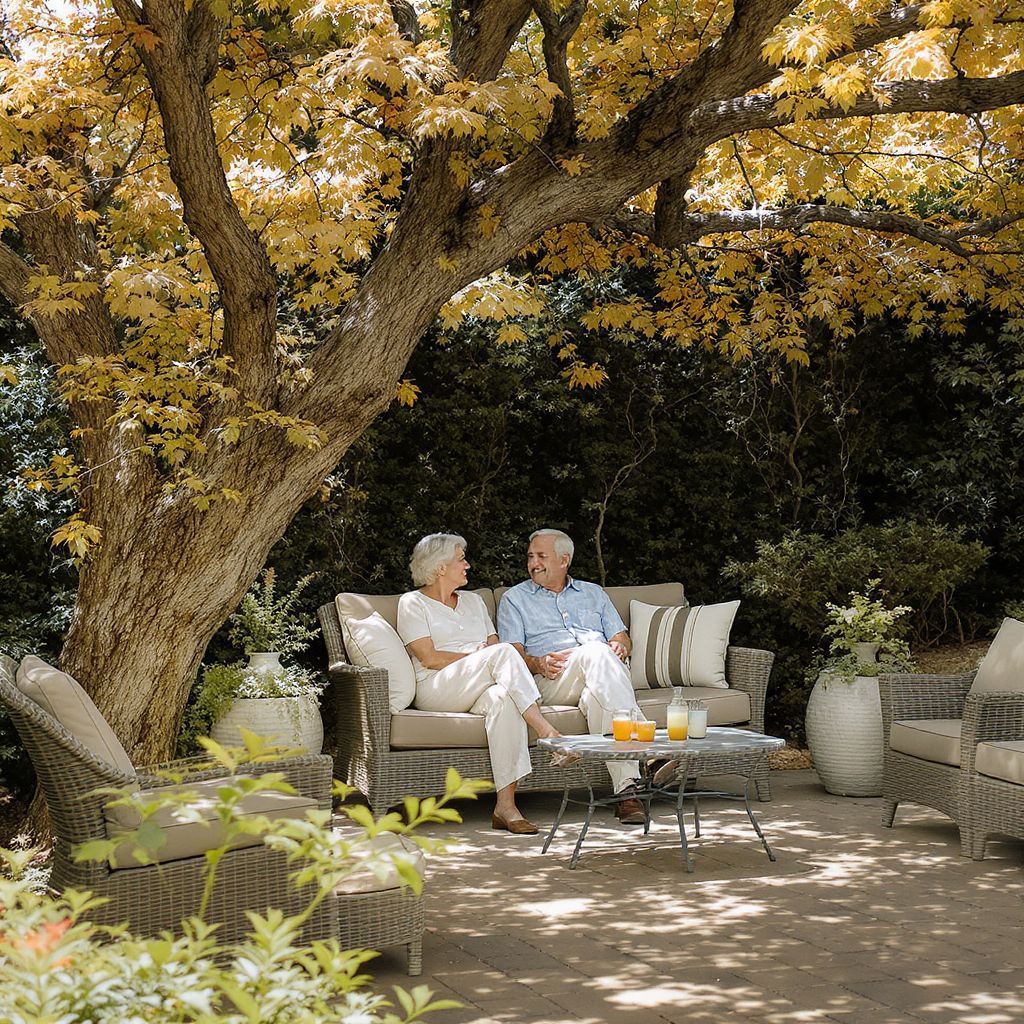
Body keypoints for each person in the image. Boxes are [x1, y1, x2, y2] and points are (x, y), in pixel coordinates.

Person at [397, 533, 563, 835]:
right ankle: (547, 731)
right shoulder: (412, 603)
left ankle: (505, 807)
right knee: (504, 653)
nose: (468, 565)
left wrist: (486, 656)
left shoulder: (473, 601)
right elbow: (429, 657)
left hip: (481, 682)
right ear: (440, 567)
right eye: (461, 560)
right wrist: (477, 656)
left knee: (503, 699)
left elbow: (494, 645)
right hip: (438, 686)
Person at [497, 528, 646, 824]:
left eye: (541, 556)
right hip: (551, 680)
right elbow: (510, 656)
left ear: (564, 560)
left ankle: (627, 793)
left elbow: (622, 638)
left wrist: (620, 646)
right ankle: (647, 749)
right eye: (530, 556)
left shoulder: (593, 593)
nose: (533, 563)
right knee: (597, 651)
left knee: (597, 696)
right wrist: (538, 663)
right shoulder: (514, 599)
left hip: (599, 677)